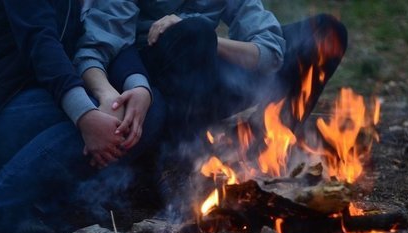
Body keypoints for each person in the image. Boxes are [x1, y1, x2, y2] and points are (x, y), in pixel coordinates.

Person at [0, 0, 166, 233]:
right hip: (6, 102)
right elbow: (40, 42)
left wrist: (136, 86)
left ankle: (49, 205)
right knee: (98, 121)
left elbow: (111, 40)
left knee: (148, 108)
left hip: (55, 93)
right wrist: (85, 115)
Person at [135, 0, 347, 139]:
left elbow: (271, 53)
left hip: (205, 81)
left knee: (327, 33)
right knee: (195, 32)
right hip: (151, 89)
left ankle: (262, 143)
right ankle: (178, 163)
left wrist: (210, 42)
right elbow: (108, 45)